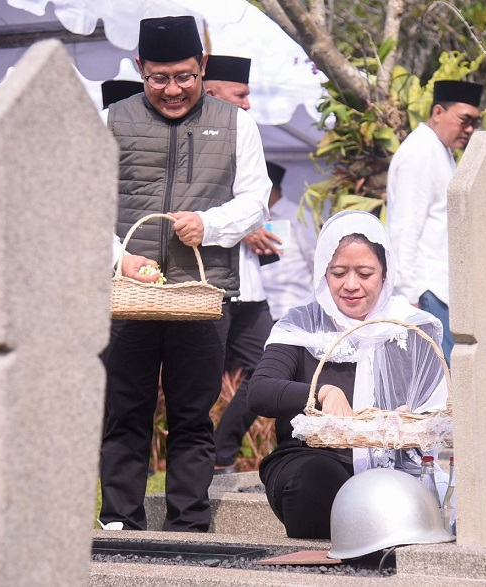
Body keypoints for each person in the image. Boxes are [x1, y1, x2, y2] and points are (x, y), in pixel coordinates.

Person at [99, 16, 271, 532]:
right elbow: (84, 201)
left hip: (205, 291)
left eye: (184, 76)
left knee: (192, 415)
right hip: (130, 292)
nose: (172, 89)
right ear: (139, 70)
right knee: (125, 409)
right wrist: (118, 258)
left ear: (202, 68)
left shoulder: (237, 122)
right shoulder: (109, 119)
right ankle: (119, 520)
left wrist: (210, 224)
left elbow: (255, 199)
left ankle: (188, 522)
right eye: (158, 78)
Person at [247, 210, 448, 539]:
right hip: (314, 455)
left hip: (392, 458)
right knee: (313, 480)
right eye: (338, 272)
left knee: (402, 497)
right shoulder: (301, 324)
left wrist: (405, 421)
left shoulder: (410, 327)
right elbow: (260, 391)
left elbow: (434, 408)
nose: (351, 285)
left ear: (385, 274)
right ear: (322, 273)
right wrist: (323, 392)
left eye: (365, 273)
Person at [197, 54, 281, 475]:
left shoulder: (246, 135)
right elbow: (188, 203)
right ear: (212, 92)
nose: (248, 104)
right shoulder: (192, 136)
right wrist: (243, 227)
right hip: (210, 283)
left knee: (277, 365)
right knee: (201, 382)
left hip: (250, 287)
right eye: (241, 95)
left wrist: (256, 228)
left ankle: (223, 450)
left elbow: (255, 198)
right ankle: (199, 462)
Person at [386, 80, 483, 364]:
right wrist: (408, 296)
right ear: (438, 112)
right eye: (464, 120)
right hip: (425, 292)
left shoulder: (440, 151)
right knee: (439, 388)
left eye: (475, 123)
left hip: (441, 290)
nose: (469, 129)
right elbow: (405, 229)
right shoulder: (420, 153)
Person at [260, 161, 316, 321]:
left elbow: (316, 261)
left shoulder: (299, 216)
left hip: (294, 308)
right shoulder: (252, 220)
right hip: (260, 313)